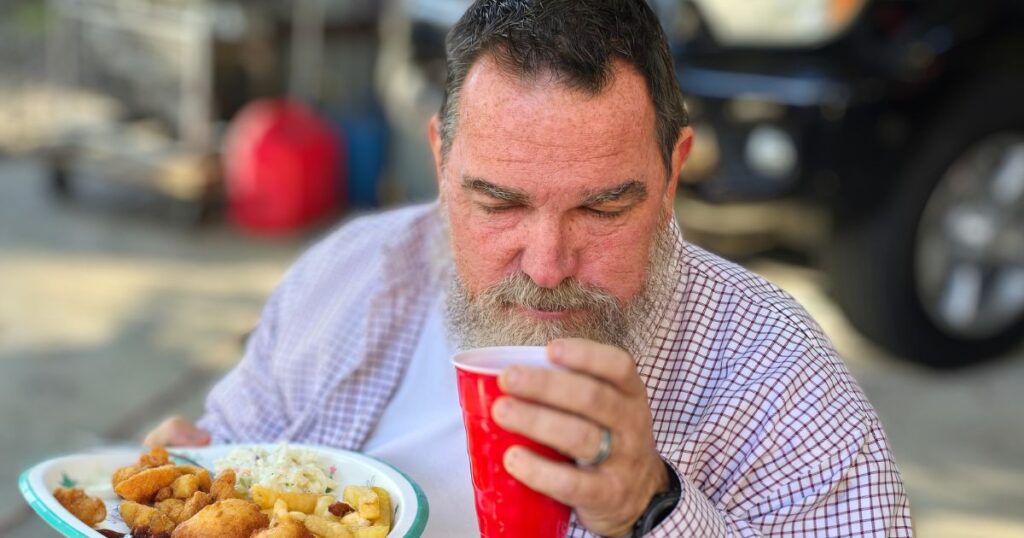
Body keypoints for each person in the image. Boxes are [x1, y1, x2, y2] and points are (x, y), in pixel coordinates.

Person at [146, 1, 913, 536]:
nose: (547, 266)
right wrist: (191, 482)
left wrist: (651, 508)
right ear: (442, 160)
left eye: (604, 209)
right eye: (499, 203)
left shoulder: (781, 386)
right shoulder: (352, 273)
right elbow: (227, 449)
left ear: (673, 173)